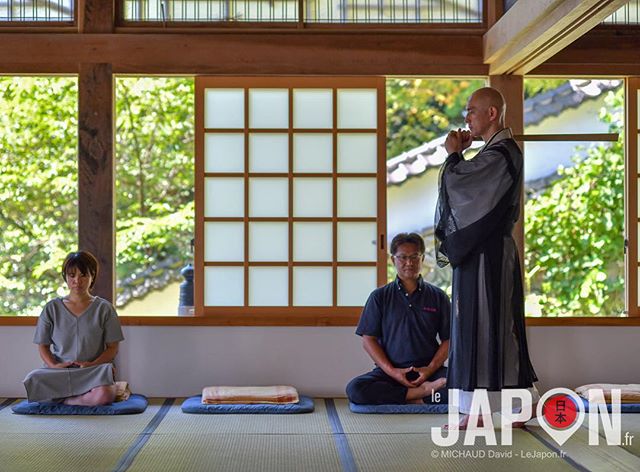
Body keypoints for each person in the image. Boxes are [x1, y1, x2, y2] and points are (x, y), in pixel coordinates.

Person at [435, 87, 538, 428]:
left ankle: (509, 407)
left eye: (472, 111)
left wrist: (453, 156)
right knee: (476, 325)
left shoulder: (502, 153)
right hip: (478, 251)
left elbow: (461, 184)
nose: (467, 118)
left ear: (492, 113)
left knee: (494, 324)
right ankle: (491, 407)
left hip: (491, 253)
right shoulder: (495, 153)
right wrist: (460, 156)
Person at [346, 232, 450, 405]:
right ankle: (420, 395)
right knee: (356, 389)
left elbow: (449, 339)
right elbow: (368, 339)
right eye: (402, 257)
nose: (408, 262)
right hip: (391, 372)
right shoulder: (379, 296)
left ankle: (406, 395)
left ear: (422, 259)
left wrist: (429, 369)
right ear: (393, 260)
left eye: (414, 257)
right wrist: (393, 372)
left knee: (461, 386)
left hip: (429, 372)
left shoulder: (438, 296)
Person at [23, 251, 124, 406]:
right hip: (61, 372)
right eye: (72, 275)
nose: (77, 280)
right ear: (65, 277)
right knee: (33, 379)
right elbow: (43, 346)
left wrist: (92, 364)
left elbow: (112, 348)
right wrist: (55, 366)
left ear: (92, 276)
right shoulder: (51, 308)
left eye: (83, 275)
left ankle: (67, 400)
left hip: (92, 371)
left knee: (105, 394)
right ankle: (81, 399)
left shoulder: (105, 308)